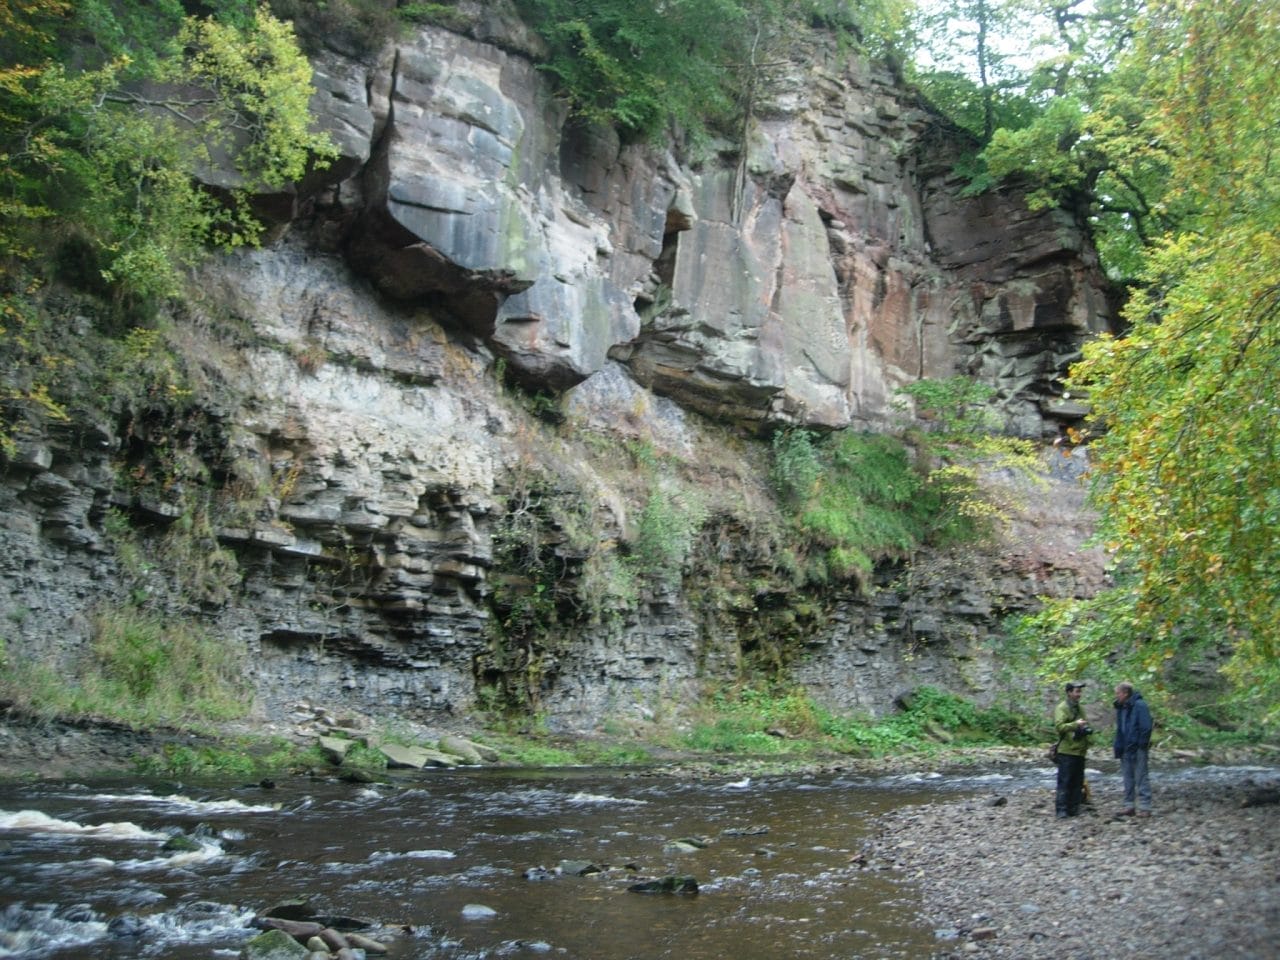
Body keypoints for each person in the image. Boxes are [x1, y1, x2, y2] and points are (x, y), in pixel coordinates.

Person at [1113, 681, 1154, 817]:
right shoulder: (1121, 707)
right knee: (1127, 777)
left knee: (1141, 776)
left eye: (1118, 693)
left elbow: (1146, 727)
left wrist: (1141, 744)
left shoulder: (1139, 705)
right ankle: (1129, 806)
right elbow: (1120, 728)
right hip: (1125, 747)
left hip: (1137, 747)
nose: (1116, 696)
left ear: (1125, 693)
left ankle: (1145, 807)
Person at [1053, 681, 1092, 819]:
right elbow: (1059, 727)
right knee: (1065, 781)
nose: (1079, 694)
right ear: (1069, 693)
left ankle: (1074, 808)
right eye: (1077, 691)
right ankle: (1061, 810)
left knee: (1078, 781)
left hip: (1080, 750)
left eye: (1080, 692)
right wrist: (1075, 725)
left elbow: (1085, 724)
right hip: (1067, 750)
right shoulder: (1062, 708)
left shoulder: (1080, 708)